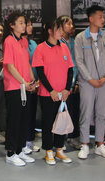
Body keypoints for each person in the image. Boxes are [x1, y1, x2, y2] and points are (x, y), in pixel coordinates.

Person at [74, 5, 105, 160]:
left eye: (103, 17)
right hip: (87, 82)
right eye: (100, 16)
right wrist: (90, 79)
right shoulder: (80, 38)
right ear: (91, 19)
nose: (103, 19)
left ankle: (99, 145)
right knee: (86, 113)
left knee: (101, 113)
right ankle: (85, 144)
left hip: (104, 82)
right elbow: (79, 61)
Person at [32, 19, 74, 165]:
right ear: (50, 31)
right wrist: (51, 91)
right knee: (48, 122)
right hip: (47, 94)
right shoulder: (40, 48)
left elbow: (70, 70)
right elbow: (40, 73)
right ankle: (48, 150)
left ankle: (59, 149)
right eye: (58, 29)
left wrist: (67, 89)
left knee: (61, 121)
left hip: (63, 93)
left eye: (62, 29)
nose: (62, 32)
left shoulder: (65, 47)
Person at [3, 12, 36, 166]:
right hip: (14, 87)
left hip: (25, 86)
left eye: (25, 23)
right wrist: (23, 82)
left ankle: (19, 149)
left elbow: (27, 62)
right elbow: (10, 66)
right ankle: (11, 153)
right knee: (14, 120)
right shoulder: (8, 41)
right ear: (12, 25)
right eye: (21, 22)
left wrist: (32, 80)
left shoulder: (24, 41)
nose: (24, 26)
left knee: (24, 119)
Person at [58, 15, 81, 150]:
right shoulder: (57, 42)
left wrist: (77, 82)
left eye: (72, 24)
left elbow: (78, 62)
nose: (71, 26)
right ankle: (60, 140)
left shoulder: (75, 41)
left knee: (74, 111)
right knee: (60, 112)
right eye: (68, 24)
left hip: (74, 81)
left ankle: (73, 137)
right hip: (61, 83)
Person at [23, 17, 41, 153]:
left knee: (32, 113)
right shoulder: (18, 43)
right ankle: (22, 142)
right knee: (24, 114)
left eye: (30, 24)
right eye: (28, 25)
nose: (30, 27)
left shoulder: (33, 43)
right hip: (23, 83)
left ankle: (29, 141)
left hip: (35, 84)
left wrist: (37, 81)